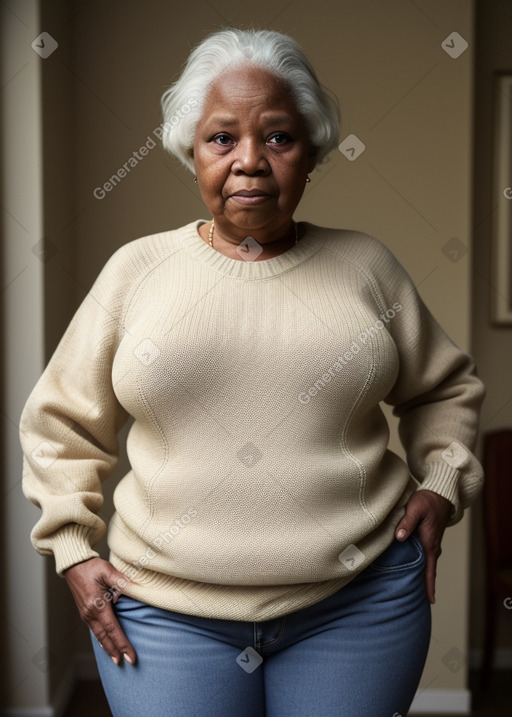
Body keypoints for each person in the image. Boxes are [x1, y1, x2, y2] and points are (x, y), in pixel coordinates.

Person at [20, 27, 485, 717]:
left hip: (358, 604)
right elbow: (59, 423)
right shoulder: (136, 272)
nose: (250, 162)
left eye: (278, 137)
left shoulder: (367, 268)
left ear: (311, 152)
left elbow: (444, 389)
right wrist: (71, 548)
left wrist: (443, 481)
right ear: (191, 150)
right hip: (164, 609)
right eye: (221, 139)